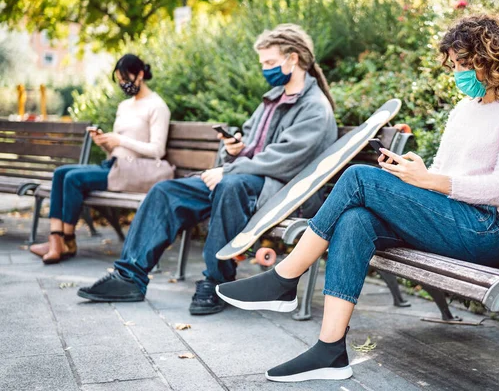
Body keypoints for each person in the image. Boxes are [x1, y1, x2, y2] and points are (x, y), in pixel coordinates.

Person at [216, 14, 499, 382]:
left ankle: (284, 278)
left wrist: (430, 180)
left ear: (493, 58)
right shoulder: (465, 109)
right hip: (448, 217)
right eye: (453, 64)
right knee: (354, 219)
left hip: (485, 230)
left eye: (464, 63)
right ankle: (330, 351)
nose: (457, 72)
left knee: (359, 176)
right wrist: (413, 172)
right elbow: (441, 173)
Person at [77, 24, 338, 316]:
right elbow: (252, 142)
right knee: (166, 191)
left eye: (270, 63)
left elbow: (286, 158)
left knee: (229, 186)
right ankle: (129, 277)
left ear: (293, 59)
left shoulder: (315, 108)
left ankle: (218, 279)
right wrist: (235, 146)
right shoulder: (272, 99)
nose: (265, 69)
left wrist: (229, 169)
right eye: (263, 63)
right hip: (245, 181)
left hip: (283, 193)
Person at [30, 54, 170, 264]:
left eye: (126, 78)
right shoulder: (125, 107)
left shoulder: (157, 106)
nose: (123, 84)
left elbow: (157, 150)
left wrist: (120, 140)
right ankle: (55, 240)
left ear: (140, 74)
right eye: (120, 80)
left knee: (73, 179)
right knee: (61, 173)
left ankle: (67, 241)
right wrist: (105, 142)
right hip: (113, 165)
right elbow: (115, 149)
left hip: (130, 171)